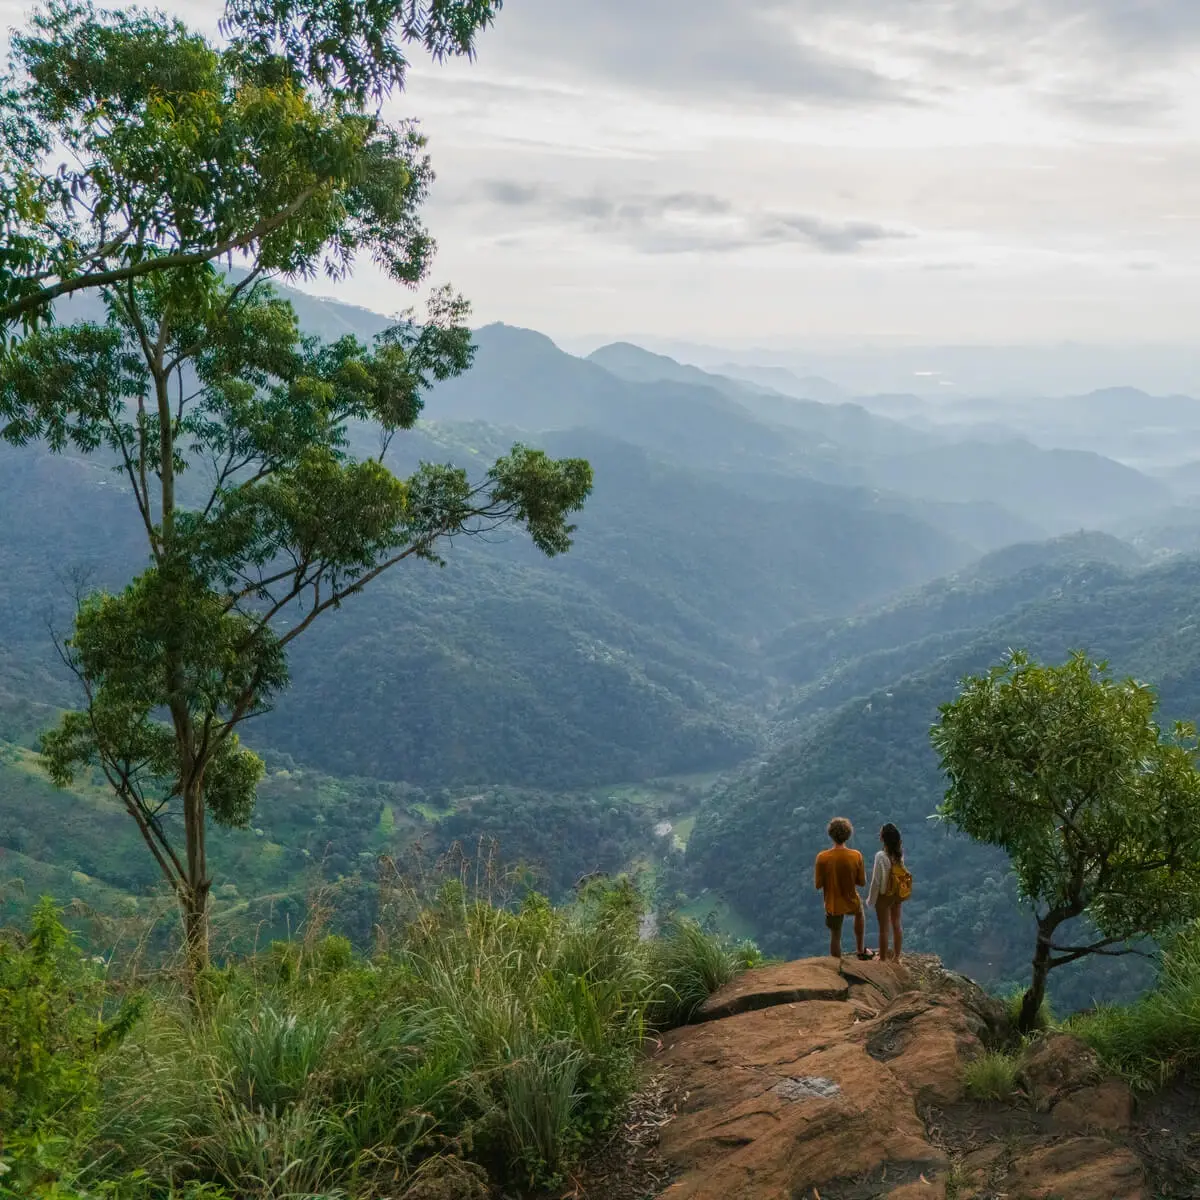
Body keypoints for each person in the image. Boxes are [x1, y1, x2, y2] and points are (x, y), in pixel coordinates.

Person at [814, 816, 873, 960]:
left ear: (830, 834)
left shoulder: (822, 857)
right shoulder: (856, 855)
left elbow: (818, 885)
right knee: (859, 914)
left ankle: (837, 964)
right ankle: (860, 950)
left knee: (835, 934)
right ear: (848, 834)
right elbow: (862, 882)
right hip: (851, 899)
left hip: (832, 903)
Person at [867, 822, 907, 962]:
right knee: (897, 924)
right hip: (897, 893)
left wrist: (871, 900)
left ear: (883, 838)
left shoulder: (880, 856)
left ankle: (882, 958)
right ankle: (897, 957)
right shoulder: (899, 854)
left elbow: (876, 881)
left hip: (884, 895)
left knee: (884, 928)